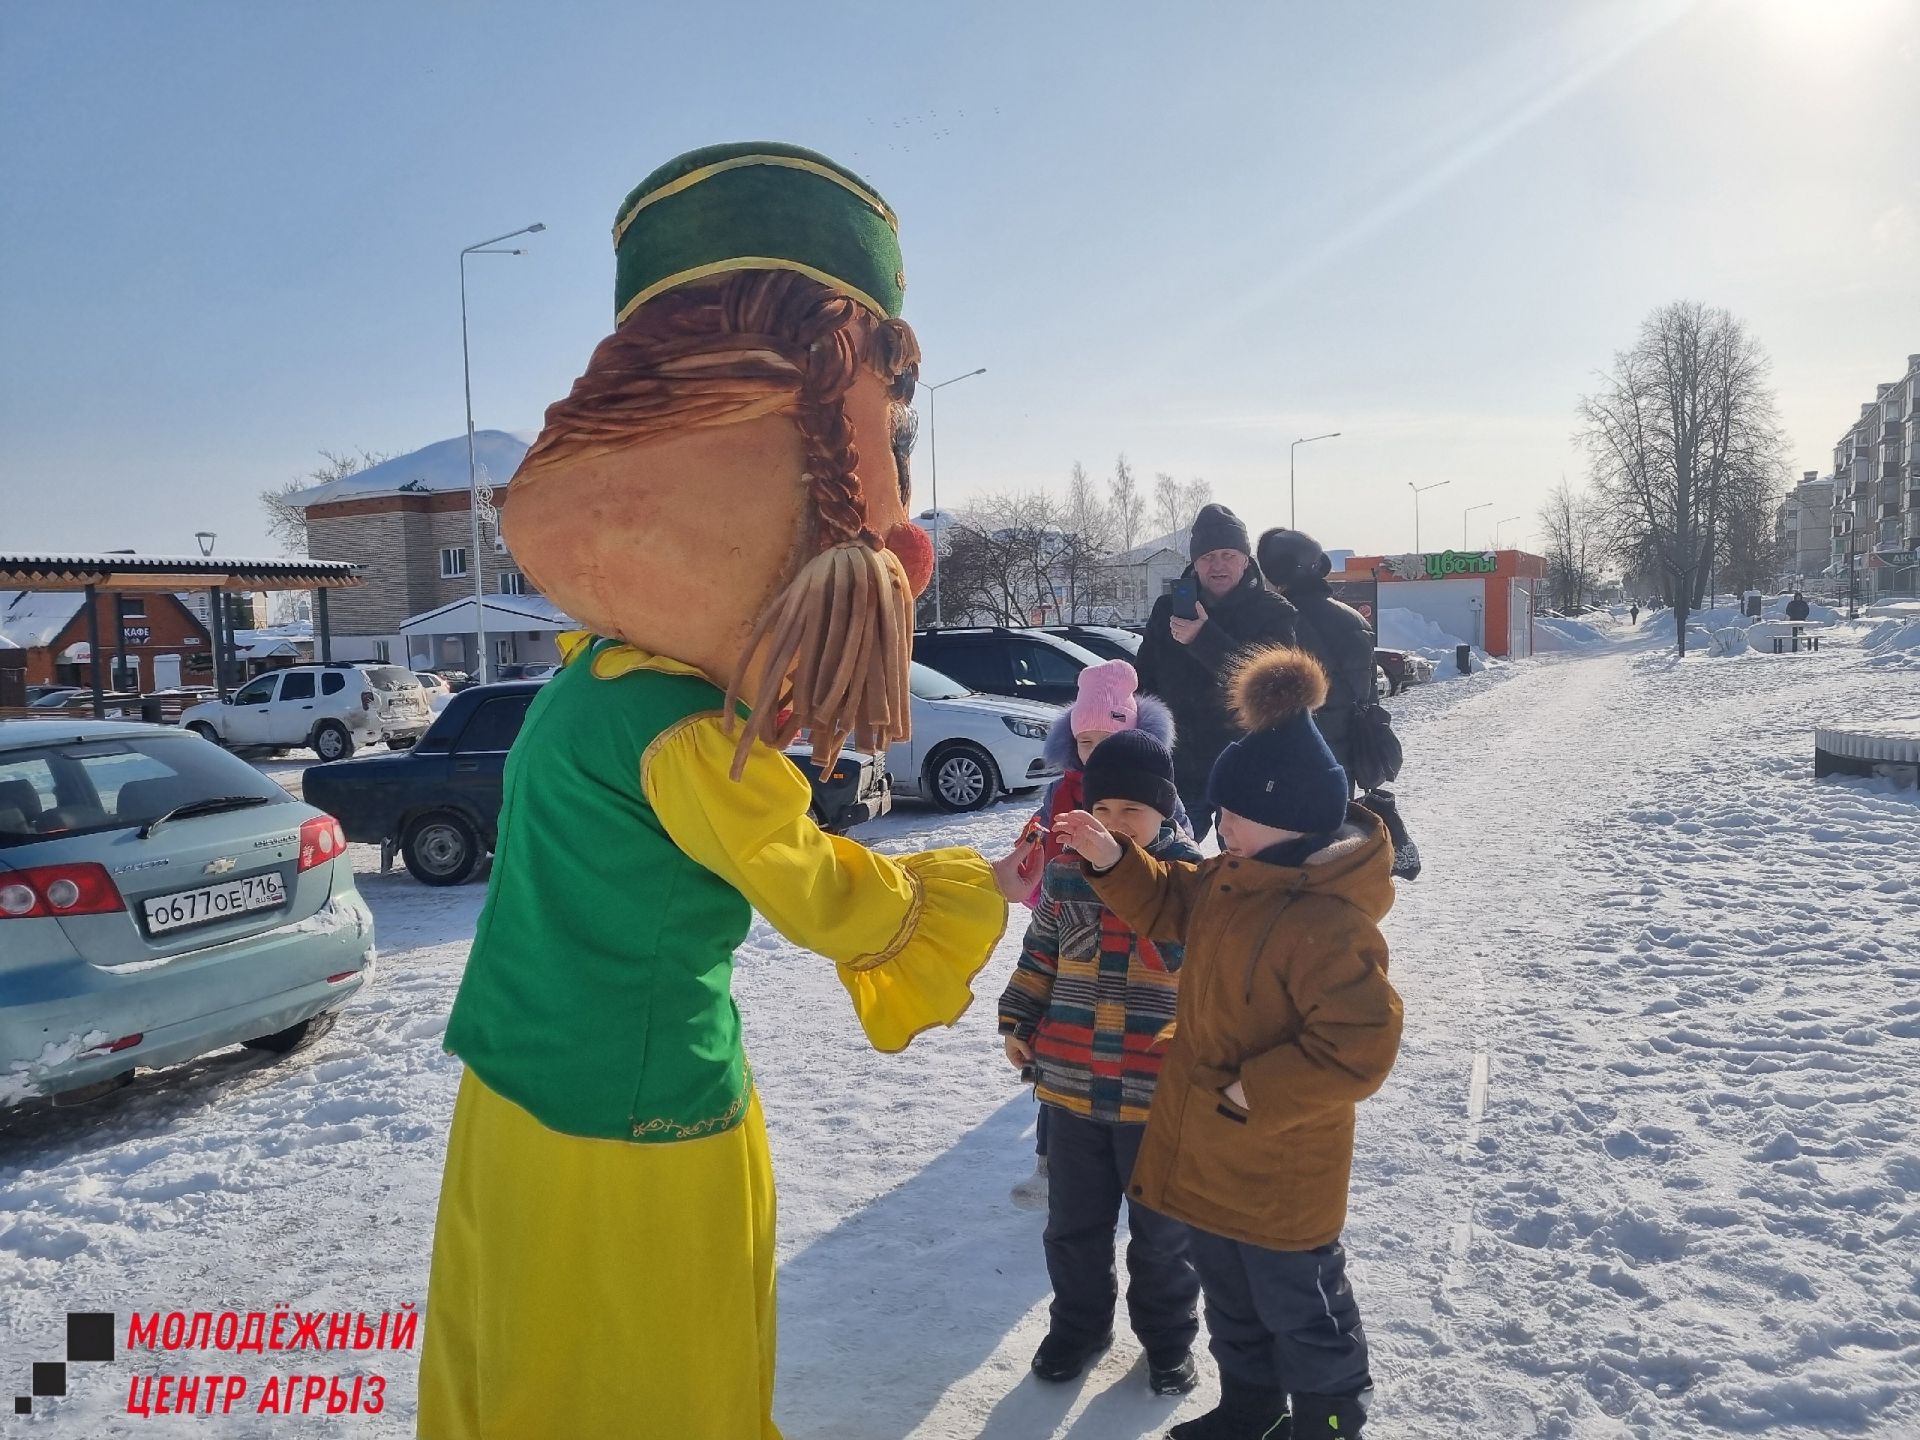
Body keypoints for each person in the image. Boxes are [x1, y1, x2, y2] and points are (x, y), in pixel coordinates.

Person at [417, 143, 1024, 1439]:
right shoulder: (687, 738)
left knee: (520, 1366)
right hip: (640, 1123)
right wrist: (967, 884)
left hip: (513, 1089)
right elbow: (821, 897)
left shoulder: (586, 676)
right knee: (653, 1383)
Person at [1055, 646, 1403, 1439]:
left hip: (1280, 1166)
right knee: (1232, 1298)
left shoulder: (1330, 922)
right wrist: (1115, 858)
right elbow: (1173, 901)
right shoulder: (1230, 880)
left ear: (1281, 816)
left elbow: (1360, 1045)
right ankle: (1249, 1407)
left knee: (1301, 1306)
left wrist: (1255, 1093)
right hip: (1212, 1150)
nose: (1218, 829)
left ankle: (1329, 1422)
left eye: (1231, 816)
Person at [999, 730, 1205, 1397]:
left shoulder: (1190, 879)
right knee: (1073, 1228)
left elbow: (1190, 959)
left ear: (1165, 812)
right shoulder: (1064, 870)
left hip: (1158, 1095)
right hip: (1072, 1086)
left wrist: (1124, 869)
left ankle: (1169, 1340)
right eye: (1105, 811)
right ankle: (1079, 1327)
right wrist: (1019, 1019)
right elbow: (1041, 954)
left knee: (1163, 1239)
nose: (1116, 827)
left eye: (1133, 814)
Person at [1006, 657, 1182, 1211]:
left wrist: (1124, 860)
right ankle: (1048, 1160)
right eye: (1084, 739)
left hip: (1145, 1039)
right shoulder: (1063, 790)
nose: (1094, 749)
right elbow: (1041, 946)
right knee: (1063, 1056)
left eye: (1107, 736)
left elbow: (1181, 900)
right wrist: (1031, 864)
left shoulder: (1165, 829)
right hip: (1072, 917)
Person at [1134, 503, 1297, 841]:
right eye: (1208, 557)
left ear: (1245, 559)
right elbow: (1144, 680)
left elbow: (1269, 685)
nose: (1217, 565)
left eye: (1227, 554)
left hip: (1245, 767)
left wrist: (1202, 638)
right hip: (1179, 767)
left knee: (1243, 874)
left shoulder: (1274, 612)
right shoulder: (1167, 609)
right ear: (1194, 562)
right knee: (1169, 869)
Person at [1253, 528, 1376, 780]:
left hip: (1294, 759)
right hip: (1345, 759)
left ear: (1277, 574)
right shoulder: (1356, 620)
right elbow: (1369, 695)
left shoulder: (1277, 620)